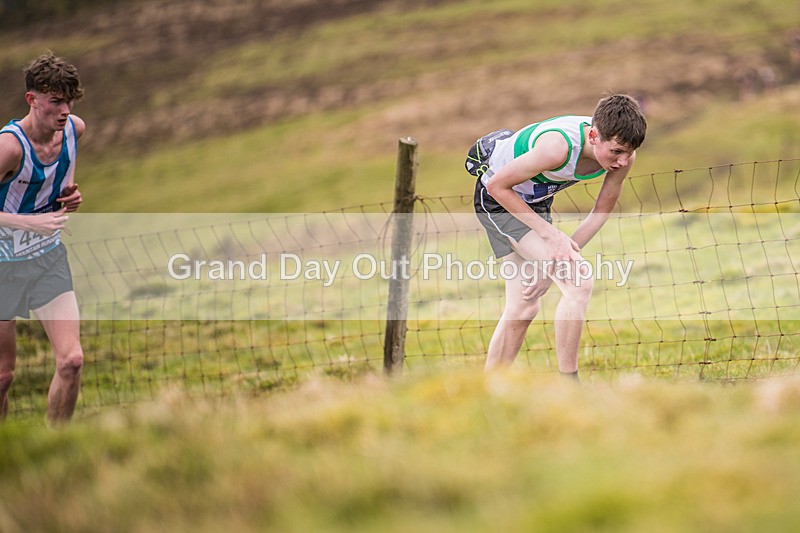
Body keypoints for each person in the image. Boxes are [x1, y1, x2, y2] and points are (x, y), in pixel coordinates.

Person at [467, 94, 646, 381]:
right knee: (579, 280)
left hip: (531, 202)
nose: (622, 161)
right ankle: (569, 386)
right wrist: (552, 238)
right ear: (593, 135)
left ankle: (489, 386)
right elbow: (497, 188)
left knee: (523, 307)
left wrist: (555, 261)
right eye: (615, 152)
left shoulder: (624, 154)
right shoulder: (557, 148)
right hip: (499, 199)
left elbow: (600, 212)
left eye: (629, 152)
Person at [0, 53, 86, 423]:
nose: (65, 110)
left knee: (72, 361)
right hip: (3, 265)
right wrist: (27, 223)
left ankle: (57, 447)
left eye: (69, 101)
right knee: (2, 377)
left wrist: (71, 197)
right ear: (32, 99)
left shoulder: (74, 129)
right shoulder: (9, 147)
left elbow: (62, 188)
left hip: (47, 259)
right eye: (56, 101)